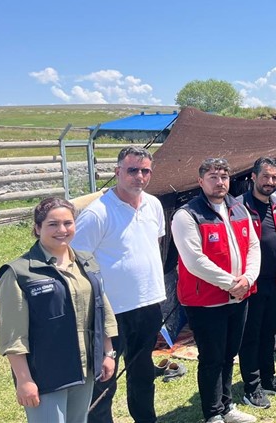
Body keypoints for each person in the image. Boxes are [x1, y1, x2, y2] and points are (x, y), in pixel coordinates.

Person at [0, 197, 117, 423]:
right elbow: (13, 336)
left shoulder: (86, 261)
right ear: (37, 228)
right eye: (53, 224)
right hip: (46, 375)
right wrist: (24, 380)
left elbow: (102, 307)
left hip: (84, 369)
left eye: (68, 223)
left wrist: (108, 352)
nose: (62, 230)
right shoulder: (18, 273)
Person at [70, 146, 165, 423]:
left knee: (143, 372)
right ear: (117, 172)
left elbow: (152, 245)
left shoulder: (154, 205)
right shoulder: (97, 213)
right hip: (111, 310)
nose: (139, 176)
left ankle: (146, 419)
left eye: (145, 170)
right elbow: (77, 261)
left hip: (148, 304)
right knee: (105, 377)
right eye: (132, 170)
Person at [171, 158, 260, 423]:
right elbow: (194, 260)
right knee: (211, 357)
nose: (220, 182)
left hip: (239, 297)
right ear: (200, 181)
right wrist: (232, 284)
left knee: (229, 354)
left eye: (224, 176)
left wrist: (247, 279)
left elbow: (253, 247)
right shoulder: (187, 215)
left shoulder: (239, 208)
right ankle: (212, 413)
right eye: (213, 176)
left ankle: (227, 406)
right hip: (205, 301)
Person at [236, 157, 276, 410]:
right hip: (249, 284)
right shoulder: (238, 207)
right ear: (253, 177)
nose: (270, 182)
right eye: (266, 177)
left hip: (274, 282)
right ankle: (252, 386)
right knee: (250, 336)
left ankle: (269, 379)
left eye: (274, 178)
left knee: (268, 333)